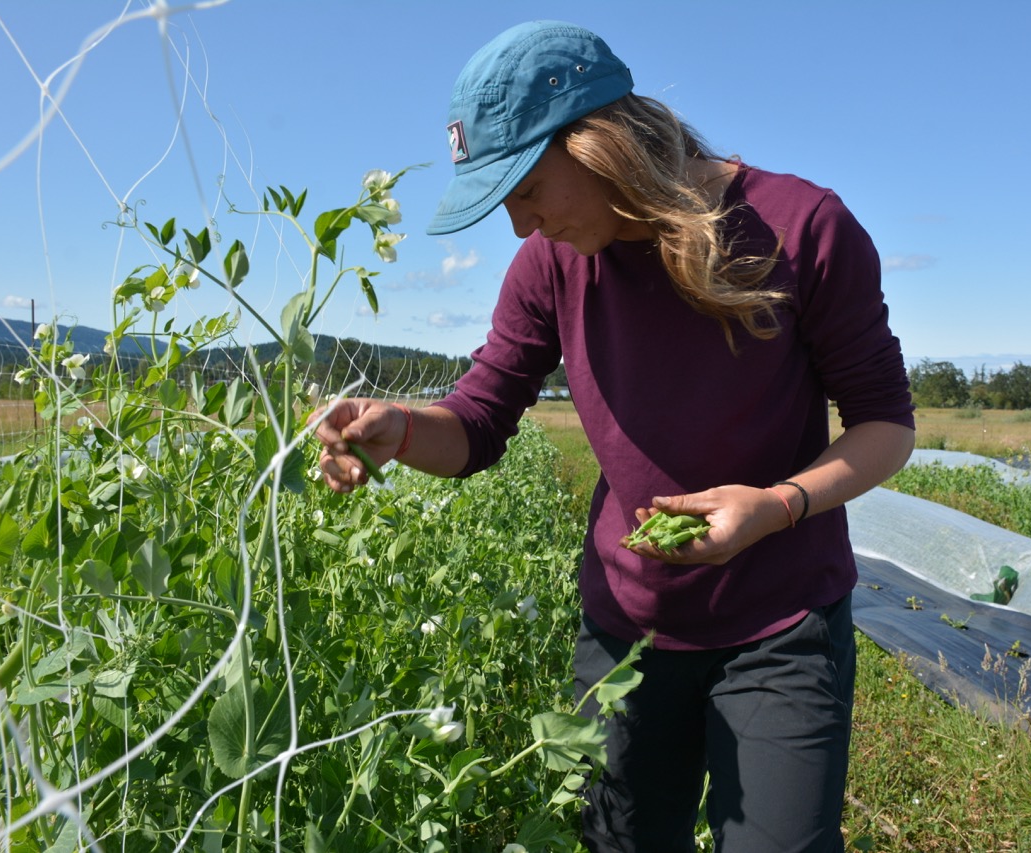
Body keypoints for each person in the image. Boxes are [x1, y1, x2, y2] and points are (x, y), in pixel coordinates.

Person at [312, 20, 915, 853]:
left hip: (782, 625)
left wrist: (776, 506)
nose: (521, 225)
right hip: (626, 635)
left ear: (596, 144)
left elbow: (885, 425)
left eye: (525, 189)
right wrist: (401, 429)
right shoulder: (553, 265)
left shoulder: (801, 225)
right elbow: (481, 418)